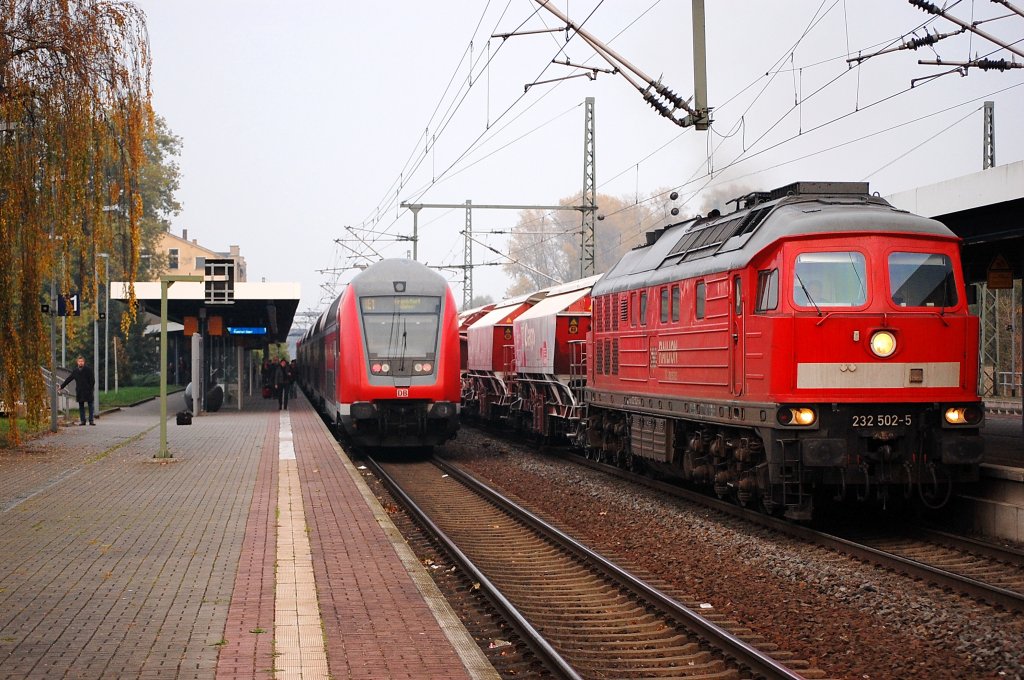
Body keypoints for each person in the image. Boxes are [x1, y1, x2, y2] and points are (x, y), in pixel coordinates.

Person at [60, 356, 96, 426]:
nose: (80, 363)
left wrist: (90, 389)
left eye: (82, 361)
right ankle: (83, 421)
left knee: (90, 405)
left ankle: (91, 420)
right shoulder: (75, 371)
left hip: (88, 391)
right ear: (77, 362)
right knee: (81, 406)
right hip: (80, 391)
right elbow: (69, 379)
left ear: (84, 362)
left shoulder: (88, 370)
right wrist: (61, 386)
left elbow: (92, 380)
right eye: (79, 361)